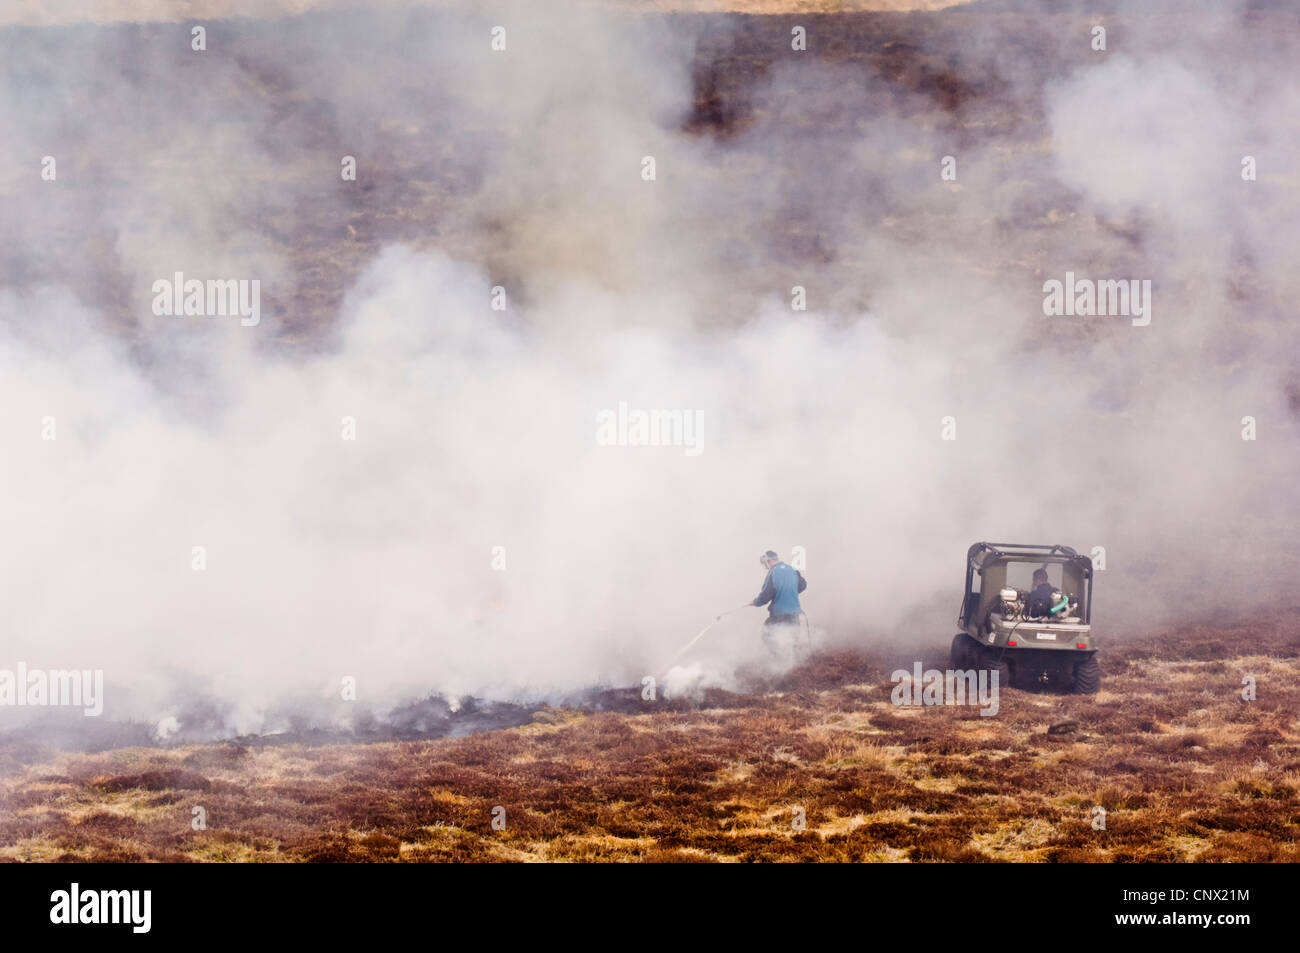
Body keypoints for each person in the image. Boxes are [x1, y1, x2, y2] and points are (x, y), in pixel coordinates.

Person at [753, 551, 807, 657]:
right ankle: (790, 662)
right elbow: (803, 585)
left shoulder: (773, 572)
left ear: (769, 561)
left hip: (779, 614)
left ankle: (779, 660)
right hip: (794, 613)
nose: (766, 567)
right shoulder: (793, 570)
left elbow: (765, 596)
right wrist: (790, 591)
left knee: (767, 635)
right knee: (792, 638)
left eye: (765, 564)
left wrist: (756, 602)